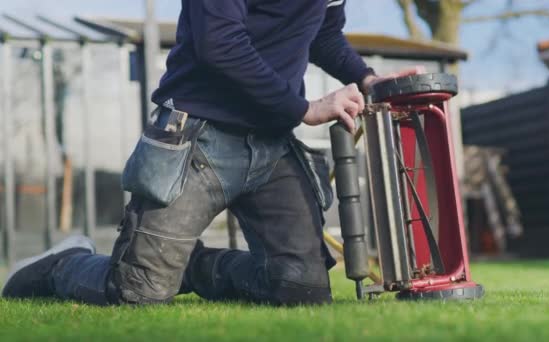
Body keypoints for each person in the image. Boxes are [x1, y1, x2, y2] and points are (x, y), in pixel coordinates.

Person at [2, 0, 421, 306]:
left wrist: (368, 79)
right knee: (135, 293)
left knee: (300, 290)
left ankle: (187, 265)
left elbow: (323, 32)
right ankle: (65, 262)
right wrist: (305, 109)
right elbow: (219, 43)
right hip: (198, 137)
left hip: (272, 146)